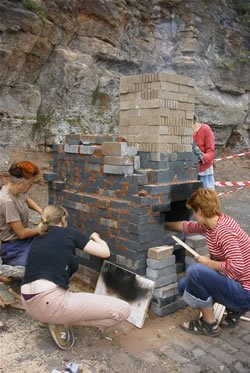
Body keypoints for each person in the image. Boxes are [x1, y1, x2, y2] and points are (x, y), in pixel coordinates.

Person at [21, 204, 131, 350]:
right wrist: (96, 237)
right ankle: (60, 321)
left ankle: (54, 318)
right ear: (63, 219)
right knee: (124, 310)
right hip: (51, 303)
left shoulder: (38, 239)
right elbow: (105, 252)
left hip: (28, 303)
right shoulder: (69, 233)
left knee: (68, 268)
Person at [165, 188, 250, 337]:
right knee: (184, 285)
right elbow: (186, 226)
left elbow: (237, 267)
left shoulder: (224, 231)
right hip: (237, 282)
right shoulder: (212, 224)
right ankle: (234, 310)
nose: (193, 216)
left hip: (244, 292)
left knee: (196, 271)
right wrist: (161, 223)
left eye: (194, 212)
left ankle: (208, 324)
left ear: (200, 211)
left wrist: (208, 262)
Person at [0, 161, 44, 266]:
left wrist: (41, 211)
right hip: (13, 247)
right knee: (36, 265)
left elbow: (26, 199)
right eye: (30, 185)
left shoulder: (15, 190)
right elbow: (22, 233)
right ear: (19, 184)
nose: (31, 187)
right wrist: (43, 228)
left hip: (25, 240)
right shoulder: (7, 202)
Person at [192, 114, 215, 190]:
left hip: (204, 171)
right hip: (189, 171)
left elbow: (211, 151)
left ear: (193, 120)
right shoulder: (183, 131)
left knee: (206, 198)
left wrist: (202, 156)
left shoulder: (205, 129)